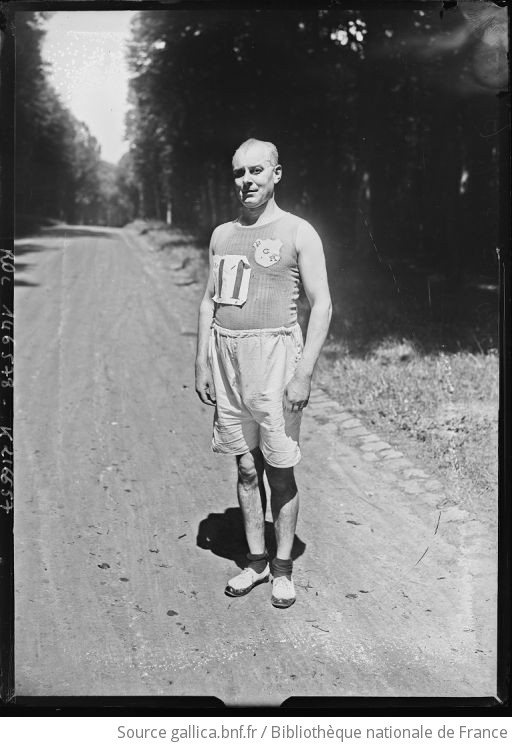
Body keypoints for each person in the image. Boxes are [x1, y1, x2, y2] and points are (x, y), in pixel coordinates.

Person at [195, 138, 331, 608]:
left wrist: (304, 373)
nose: (247, 181)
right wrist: (202, 361)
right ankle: (255, 561)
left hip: (277, 361)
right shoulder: (221, 234)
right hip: (228, 359)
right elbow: (210, 301)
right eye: (239, 173)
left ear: (277, 174)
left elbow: (323, 304)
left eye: (257, 171)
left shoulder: (298, 232)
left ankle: (282, 568)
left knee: (279, 467)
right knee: (246, 465)